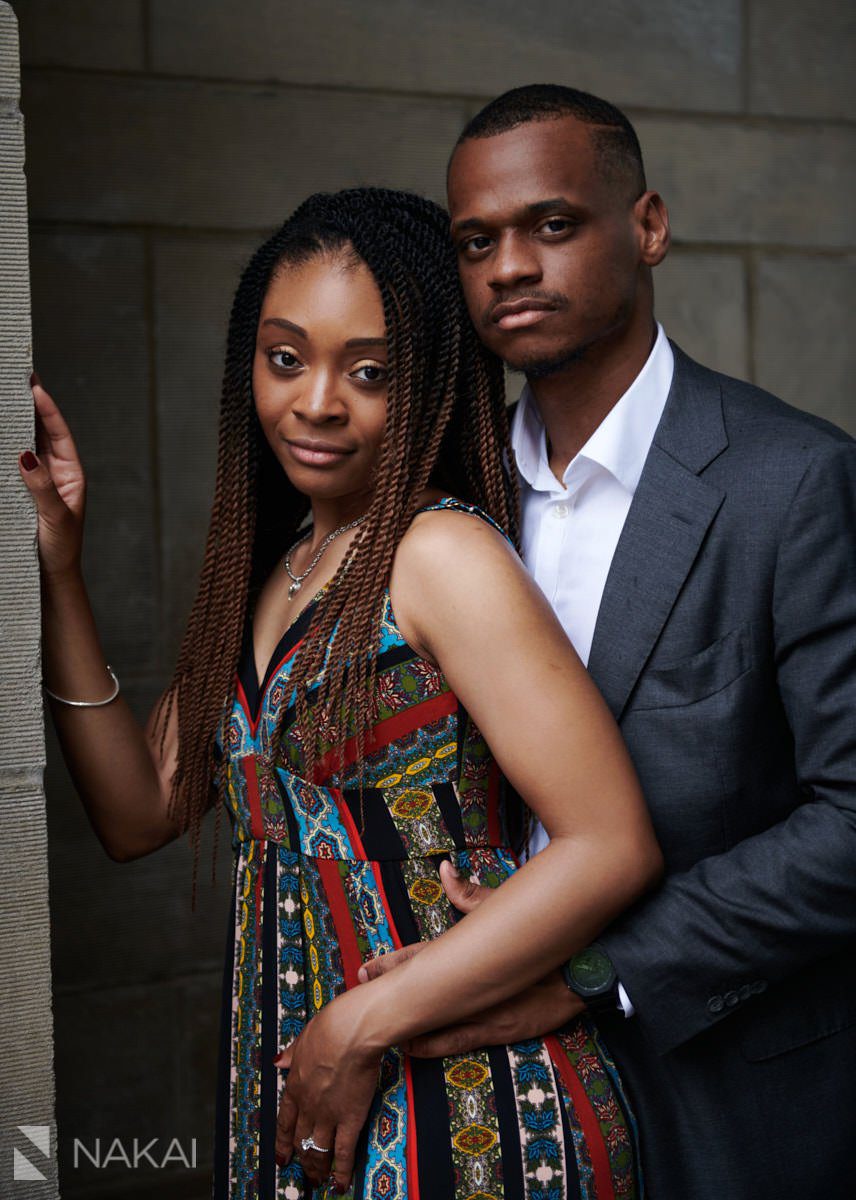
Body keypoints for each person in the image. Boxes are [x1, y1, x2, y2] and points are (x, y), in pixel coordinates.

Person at [20, 188, 664, 1198]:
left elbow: (611, 841)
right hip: (300, 1070)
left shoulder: (440, 552)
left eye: (368, 374)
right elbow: (137, 813)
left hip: (463, 1095)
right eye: (286, 358)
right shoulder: (276, 567)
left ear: (428, 386)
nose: (316, 401)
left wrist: (357, 1022)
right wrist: (60, 569)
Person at [361, 85, 856, 1198]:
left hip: (728, 1093)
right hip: (484, 1094)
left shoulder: (793, 484)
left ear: (647, 226)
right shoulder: (446, 499)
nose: (508, 268)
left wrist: (597, 971)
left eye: (552, 225)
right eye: (476, 241)